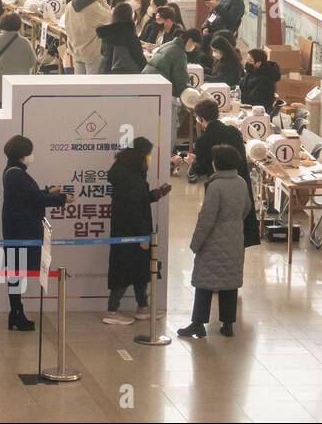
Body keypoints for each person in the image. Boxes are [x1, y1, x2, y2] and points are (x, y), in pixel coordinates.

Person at [178, 144, 251, 339]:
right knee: (229, 281)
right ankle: (227, 325)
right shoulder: (241, 182)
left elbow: (207, 218)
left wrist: (196, 243)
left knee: (205, 281)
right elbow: (246, 208)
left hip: (214, 239)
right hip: (235, 237)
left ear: (217, 164)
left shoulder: (216, 185)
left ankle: (198, 324)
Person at [0, 135, 70, 331]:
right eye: (30, 152)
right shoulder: (15, 174)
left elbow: (29, 195)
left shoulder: (14, 171)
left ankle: (16, 312)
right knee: (16, 273)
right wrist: (61, 198)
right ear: (23, 154)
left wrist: (48, 192)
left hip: (18, 230)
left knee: (17, 273)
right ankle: (16, 313)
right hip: (19, 231)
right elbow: (32, 198)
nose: (32, 156)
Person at [103, 138, 169, 324]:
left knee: (141, 270)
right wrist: (143, 235)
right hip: (130, 232)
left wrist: (156, 194)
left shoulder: (129, 174)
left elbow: (138, 200)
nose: (149, 158)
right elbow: (133, 208)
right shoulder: (130, 178)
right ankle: (112, 311)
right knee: (123, 271)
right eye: (148, 154)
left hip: (130, 230)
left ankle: (143, 307)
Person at [0, 12, 37, 109]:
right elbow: (33, 62)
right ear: (19, 25)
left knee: (0, 109)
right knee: (19, 109)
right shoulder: (25, 42)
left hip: (0, 82)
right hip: (20, 84)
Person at [64, 0, 111, 74]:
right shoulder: (95, 7)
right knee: (92, 86)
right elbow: (110, 18)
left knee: (80, 85)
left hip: (75, 50)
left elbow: (67, 27)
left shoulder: (69, 6)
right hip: (92, 52)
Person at [143, 28, 201, 99]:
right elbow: (180, 80)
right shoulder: (179, 53)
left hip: (147, 80)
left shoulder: (169, 44)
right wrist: (191, 91)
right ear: (190, 40)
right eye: (195, 46)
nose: (193, 48)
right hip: (157, 86)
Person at [96, 2, 148, 74]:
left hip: (106, 70)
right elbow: (138, 56)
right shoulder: (129, 33)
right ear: (130, 15)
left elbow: (103, 52)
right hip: (126, 73)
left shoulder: (106, 32)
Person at [239, 47, 281, 116]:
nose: (247, 63)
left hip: (259, 111)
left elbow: (253, 99)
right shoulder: (252, 72)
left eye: (250, 61)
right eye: (246, 60)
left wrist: (237, 97)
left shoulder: (265, 79)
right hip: (249, 107)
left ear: (258, 63)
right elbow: (241, 85)